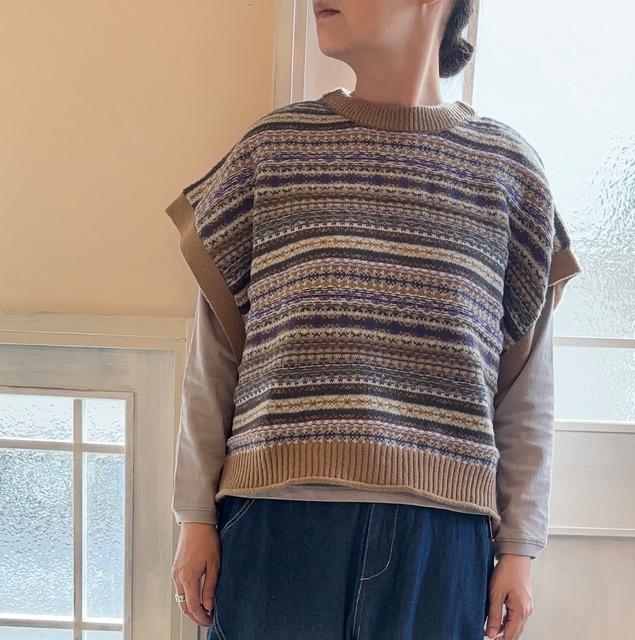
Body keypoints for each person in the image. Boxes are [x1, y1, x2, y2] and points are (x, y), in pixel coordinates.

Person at [166, 0, 582, 638]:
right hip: (276, 527)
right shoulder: (274, 151)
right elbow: (214, 360)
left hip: (441, 546)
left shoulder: (509, 173)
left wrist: (521, 548)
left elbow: (526, 392)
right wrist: (193, 514)